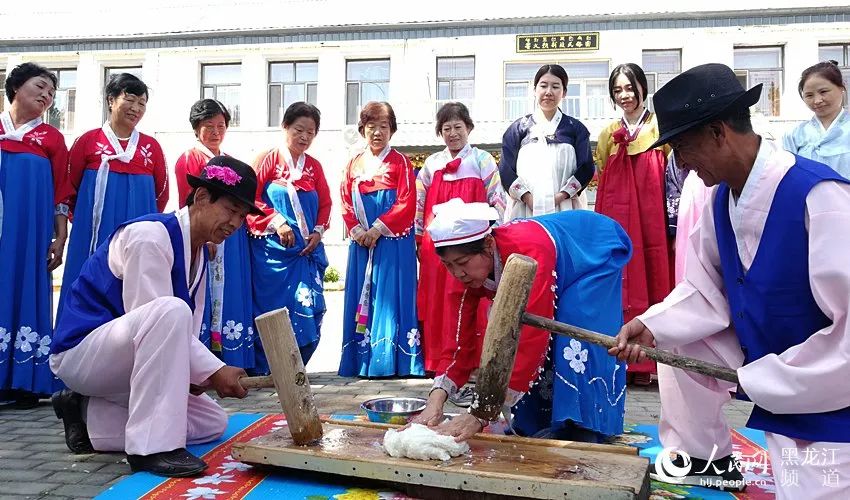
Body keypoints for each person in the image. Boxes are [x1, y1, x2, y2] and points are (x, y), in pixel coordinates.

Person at [610, 63, 850, 497]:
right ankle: (705, 459)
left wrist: (771, 379)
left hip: (828, 387)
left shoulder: (819, 196)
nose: (680, 164)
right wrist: (653, 324)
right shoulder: (720, 200)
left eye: (683, 148)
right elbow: (704, 289)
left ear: (719, 133)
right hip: (766, 356)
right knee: (677, 340)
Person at [50, 156, 260, 477]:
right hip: (82, 353)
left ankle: (87, 417)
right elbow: (155, 317)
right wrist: (214, 371)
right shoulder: (150, 236)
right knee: (169, 309)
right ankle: (152, 448)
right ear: (201, 197)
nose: (236, 223)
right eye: (231, 210)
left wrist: (194, 374)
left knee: (212, 422)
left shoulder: (200, 251)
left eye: (243, 216)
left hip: (125, 358)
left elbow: (180, 333)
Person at [413, 198, 631, 443]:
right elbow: (457, 340)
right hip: (564, 251)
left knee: (572, 330)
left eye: (462, 263)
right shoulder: (461, 271)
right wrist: (435, 400)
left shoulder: (530, 252)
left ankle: (585, 426)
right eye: (448, 265)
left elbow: (531, 335)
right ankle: (536, 422)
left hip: (595, 249)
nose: (457, 273)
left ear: (488, 243)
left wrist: (481, 414)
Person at [59, 73, 168, 318]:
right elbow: (70, 188)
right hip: (92, 232)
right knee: (86, 286)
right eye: (130, 100)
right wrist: (83, 222)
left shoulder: (152, 147)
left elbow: (160, 194)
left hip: (136, 230)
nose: (136, 108)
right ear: (111, 100)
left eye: (142, 103)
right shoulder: (87, 141)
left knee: (132, 289)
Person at [415, 102, 505, 389]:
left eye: (457, 127)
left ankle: (472, 362)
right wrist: (419, 238)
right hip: (437, 246)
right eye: (446, 128)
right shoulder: (431, 164)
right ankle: (438, 363)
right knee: (438, 300)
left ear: (469, 128)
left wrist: (494, 236)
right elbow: (419, 204)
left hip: (471, 245)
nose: (452, 133)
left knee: (469, 297)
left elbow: (497, 199)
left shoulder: (482, 161)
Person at [594, 63, 674, 385]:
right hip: (616, 220)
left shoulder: (659, 128)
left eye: (630, 88)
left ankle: (649, 362)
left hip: (651, 221)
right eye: (618, 90)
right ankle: (617, 357)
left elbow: (673, 177)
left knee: (653, 276)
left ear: (643, 88)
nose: (625, 95)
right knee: (617, 281)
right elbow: (601, 174)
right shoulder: (607, 133)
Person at [0, 63, 69, 408]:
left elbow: (60, 193)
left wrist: (60, 236)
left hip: (30, 234)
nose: (46, 95)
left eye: (51, 93)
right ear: (15, 87)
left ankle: (26, 381)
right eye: (40, 86)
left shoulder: (52, 139)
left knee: (26, 289)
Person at [339, 101, 424, 378]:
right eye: (371, 126)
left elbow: (406, 202)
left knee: (391, 295)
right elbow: (344, 200)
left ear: (392, 130)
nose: (377, 132)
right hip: (362, 242)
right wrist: (357, 231)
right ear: (363, 130)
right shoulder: (353, 163)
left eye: (383, 127)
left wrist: (377, 229)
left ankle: (393, 360)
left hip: (391, 242)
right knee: (365, 294)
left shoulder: (401, 162)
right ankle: (360, 359)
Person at [174, 99, 256, 370]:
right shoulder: (190, 157)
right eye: (209, 126)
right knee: (203, 290)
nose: (215, 132)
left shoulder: (230, 162)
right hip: (207, 235)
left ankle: (232, 356)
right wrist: (202, 236)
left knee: (230, 290)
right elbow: (186, 200)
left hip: (232, 242)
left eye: (221, 126)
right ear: (197, 129)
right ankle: (204, 357)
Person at [248, 102, 330, 369]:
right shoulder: (267, 159)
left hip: (305, 254)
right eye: (299, 130)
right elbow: (250, 198)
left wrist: (317, 232)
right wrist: (276, 221)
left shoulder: (315, 167)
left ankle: (297, 364)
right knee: (273, 308)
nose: (304, 137)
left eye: (310, 132)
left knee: (309, 305)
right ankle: (268, 366)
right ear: (285, 127)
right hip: (271, 255)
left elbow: (326, 204)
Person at [500, 64, 595, 220]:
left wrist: (561, 196)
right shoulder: (517, 129)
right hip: (525, 209)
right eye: (543, 86)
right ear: (535, 89)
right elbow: (506, 170)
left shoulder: (576, 129)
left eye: (555, 86)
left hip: (566, 207)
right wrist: (528, 198)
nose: (548, 92)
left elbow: (586, 168)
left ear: (564, 92)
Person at [783, 60, 850, 178]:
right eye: (809, 95)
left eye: (823, 92)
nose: (817, 100)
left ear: (841, 88)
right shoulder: (794, 135)